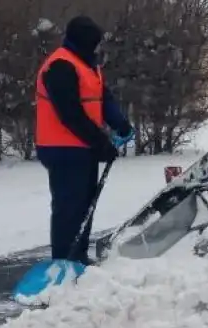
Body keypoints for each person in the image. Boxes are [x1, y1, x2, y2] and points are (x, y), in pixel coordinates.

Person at [35, 16, 135, 265]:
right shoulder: (60, 66)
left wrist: (120, 124)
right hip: (61, 149)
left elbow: (102, 98)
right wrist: (99, 142)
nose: (98, 48)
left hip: (82, 147)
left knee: (86, 205)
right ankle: (63, 262)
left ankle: (77, 258)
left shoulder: (88, 64)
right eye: (95, 43)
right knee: (69, 207)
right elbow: (70, 113)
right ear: (83, 42)